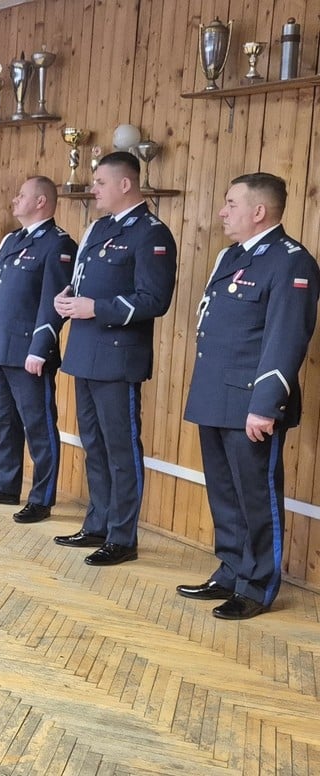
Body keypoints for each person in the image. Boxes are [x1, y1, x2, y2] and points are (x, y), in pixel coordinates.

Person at [177, 173, 319, 619]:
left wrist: (265, 405)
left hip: (251, 403)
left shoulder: (290, 261)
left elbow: (286, 337)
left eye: (231, 203)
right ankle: (231, 570)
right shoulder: (233, 256)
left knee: (256, 497)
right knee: (224, 493)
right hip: (216, 395)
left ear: (259, 211)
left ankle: (257, 586)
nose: (222, 212)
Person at [52, 151, 177, 566]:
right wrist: (68, 298)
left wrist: (96, 308)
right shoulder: (100, 227)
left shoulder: (151, 233)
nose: (94, 189)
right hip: (85, 352)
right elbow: (84, 283)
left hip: (118, 357)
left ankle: (122, 537)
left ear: (126, 184)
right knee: (94, 445)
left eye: (101, 182)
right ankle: (98, 524)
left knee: (121, 449)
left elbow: (154, 299)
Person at [0, 176, 75, 523]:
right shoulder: (12, 240)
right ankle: (5, 484)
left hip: (29, 352)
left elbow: (53, 303)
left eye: (21, 195)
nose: (14, 200)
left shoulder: (58, 244)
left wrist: (40, 349)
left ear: (41, 202)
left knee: (39, 427)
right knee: (4, 422)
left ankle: (41, 498)